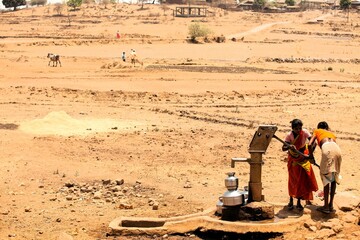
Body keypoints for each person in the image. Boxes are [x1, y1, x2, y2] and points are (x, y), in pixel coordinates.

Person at [282, 119, 318, 210]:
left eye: (300, 128)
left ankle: (299, 201)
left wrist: (310, 154)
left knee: (302, 179)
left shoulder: (305, 132)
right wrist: (289, 146)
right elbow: (283, 148)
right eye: (296, 129)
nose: (299, 131)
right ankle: (291, 199)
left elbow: (313, 142)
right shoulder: (289, 136)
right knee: (293, 180)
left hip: (303, 156)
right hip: (293, 160)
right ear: (293, 129)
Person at [308, 121, 342, 214]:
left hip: (327, 150)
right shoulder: (331, 133)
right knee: (334, 176)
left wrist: (310, 156)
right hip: (338, 150)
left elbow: (310, 144)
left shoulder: (317, 130)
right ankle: (331, 205)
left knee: (326, 178)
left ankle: (326, 206)